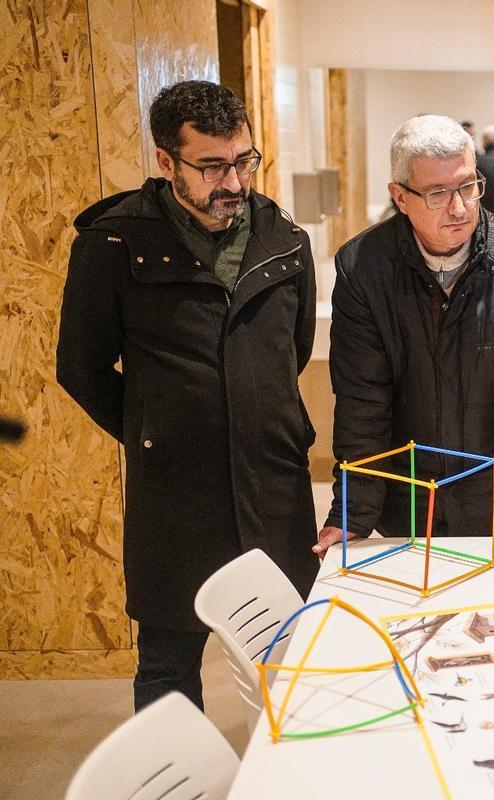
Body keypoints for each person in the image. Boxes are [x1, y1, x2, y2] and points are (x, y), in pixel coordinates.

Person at [56, 80, 319, 711]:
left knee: (292, 656)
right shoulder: (114, 241)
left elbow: (293, 350)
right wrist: (153, 426)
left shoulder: (285, 241)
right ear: (165, 161)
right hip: (175, 489)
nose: (232, 182)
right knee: (168, 663)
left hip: (273, 482)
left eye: (243, 161)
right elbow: (81, 367)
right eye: (211, 166)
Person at [313, 115, 494, 558]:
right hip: (407, 494)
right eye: (438, 193)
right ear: (399, 197)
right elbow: (363, 402)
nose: (459, 208)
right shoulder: (364, 268)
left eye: (466, 186)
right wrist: (351, 513)